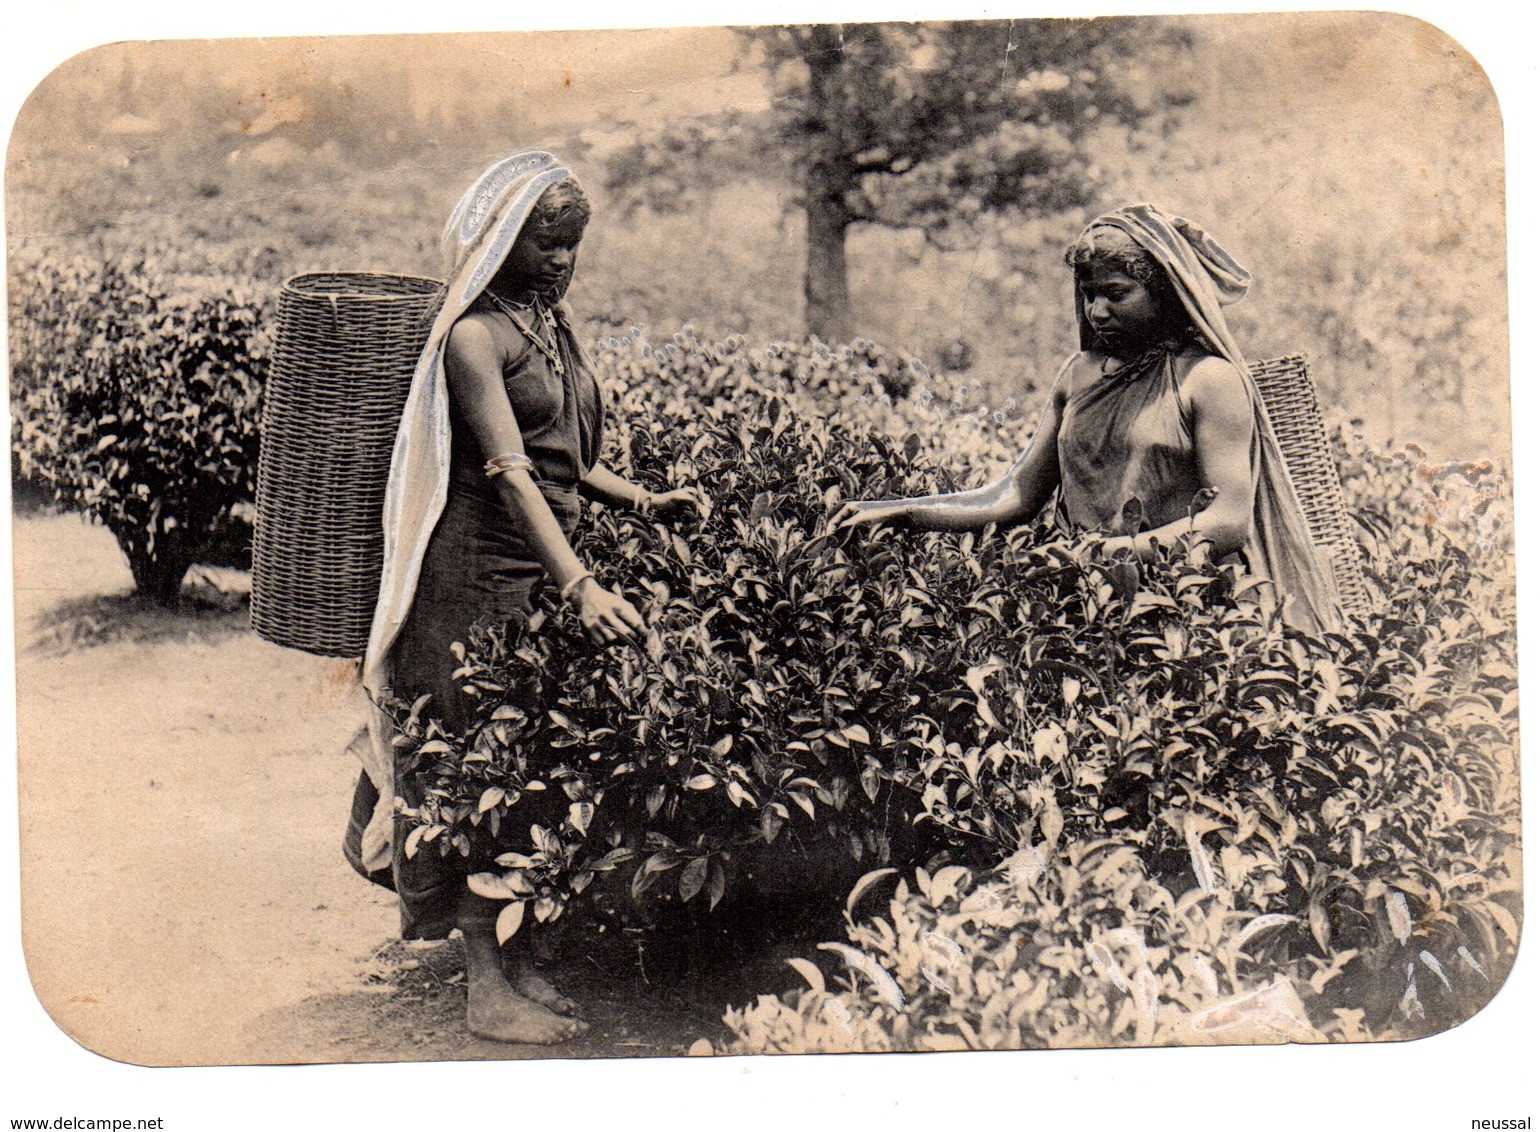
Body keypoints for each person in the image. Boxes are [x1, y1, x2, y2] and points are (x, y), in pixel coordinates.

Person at [342, 152, 700, 1044]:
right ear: (499, 237)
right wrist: (579, 583)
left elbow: (562, 459)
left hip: (532, 571)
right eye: (546, 243)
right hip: (470, 580)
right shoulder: (474, 337)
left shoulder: (546, 324)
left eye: (573, 246)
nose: (561, 262)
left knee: (528, 763)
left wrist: (641, 499)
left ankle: (518, 951)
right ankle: (484, 982)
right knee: (476, 763)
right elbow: (505, 467)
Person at [832, 203, 1340, 634]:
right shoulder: (1078, 375)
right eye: (1088, 293)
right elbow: (1017, 493)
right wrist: (902, 511)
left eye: (1116, 294)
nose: (1097, 311)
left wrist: (1102, 555)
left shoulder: (1208, 381)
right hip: (1084, 603)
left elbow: (1226, 522)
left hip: (1187, 612)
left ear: (1164, 293)